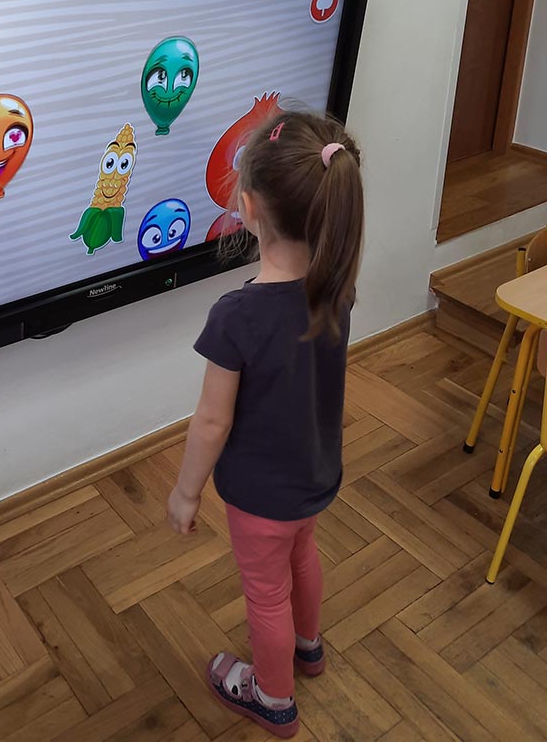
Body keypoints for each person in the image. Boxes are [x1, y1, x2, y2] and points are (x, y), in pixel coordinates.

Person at [167, 111, 364, 738]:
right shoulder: (337, 290)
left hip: (259, 498)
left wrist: (186, 492)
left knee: (265, 593)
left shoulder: (237, 316)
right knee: (303, 556)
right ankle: (309, 646)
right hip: (313, 476)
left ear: (248, 208)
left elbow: (210, 421)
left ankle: (273, 697)